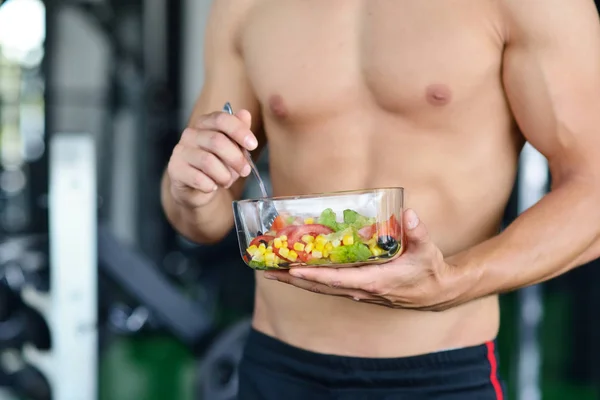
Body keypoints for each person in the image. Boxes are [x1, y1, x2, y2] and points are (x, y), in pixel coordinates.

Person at [161, 0, 600, 398]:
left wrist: (452, 283)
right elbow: (206, 217)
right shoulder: (244, 6)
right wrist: (191, 191)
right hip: (276, 366)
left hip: (439, 373)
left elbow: (592, 188)